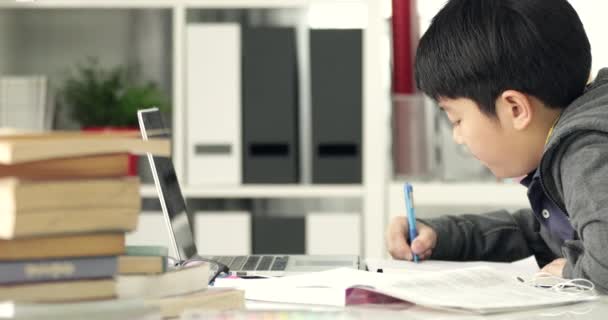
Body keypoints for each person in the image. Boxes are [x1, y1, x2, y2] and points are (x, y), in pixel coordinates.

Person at [386, 0, 608, 291]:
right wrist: (443, 235)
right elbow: (550, 230)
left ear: (515, 109)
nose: (458, 137)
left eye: (456, 120)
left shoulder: (586, 150)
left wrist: (568, 271)